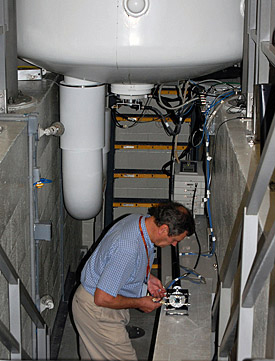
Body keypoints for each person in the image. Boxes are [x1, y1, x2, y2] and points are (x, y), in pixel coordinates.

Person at [72, 201, 195, 361]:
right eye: (174, 239)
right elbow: (103, 298)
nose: (174, 244)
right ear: (164, 229)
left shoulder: (138, 221)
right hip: (98, 312)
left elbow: (116, 262)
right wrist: (140, 302)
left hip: (89, 303)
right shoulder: (127, 248)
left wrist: (147, 278)